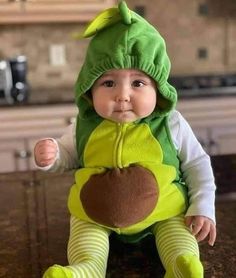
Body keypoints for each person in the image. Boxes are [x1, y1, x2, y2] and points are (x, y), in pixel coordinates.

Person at [34, 1, 216, 277]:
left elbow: (197, 165)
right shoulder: (83, 125)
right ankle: (84, 270)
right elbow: (67, 156)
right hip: (94, 215)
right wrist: (51, 154)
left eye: (138, 83)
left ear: (159, 88)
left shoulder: (170, 124)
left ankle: (182, 265)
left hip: (164, 211)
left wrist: (202, 206)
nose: (122, 95)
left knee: (179, 232)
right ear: (89, 89)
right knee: (85, 239)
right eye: (108, 83)